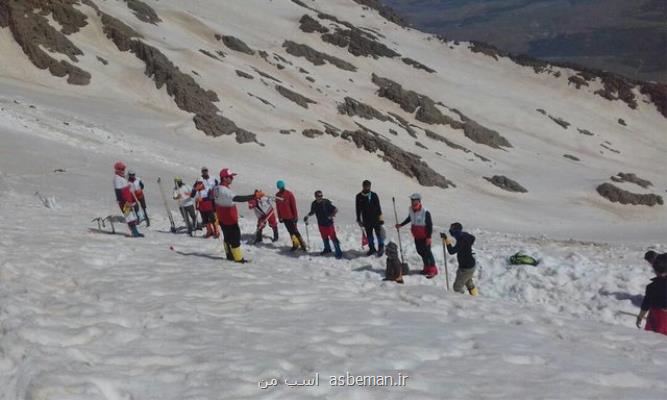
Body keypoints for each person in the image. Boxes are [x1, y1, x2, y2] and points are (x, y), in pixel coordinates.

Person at [213, 169, 255, 262]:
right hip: (229, 219)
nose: (232, 178)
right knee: (236, 238)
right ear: (224, 178)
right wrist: (254, 196)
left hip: (222, 217)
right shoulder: (225, 190)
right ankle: (239, 259)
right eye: (230, 177)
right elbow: (237, 198)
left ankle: (229, 256)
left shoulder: (216, 188)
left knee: (227, 237)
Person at [395, 193, 438, 278]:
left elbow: (429, 225)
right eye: (412, 201)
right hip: (417, 236)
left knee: (428, 253)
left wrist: (429, 237)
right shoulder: (411, 209)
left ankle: (433, 269)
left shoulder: (425, 211)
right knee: (421, 252)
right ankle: (426, 267)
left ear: (419, 201)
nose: (413, 202)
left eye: (415, 201)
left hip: (425, 236)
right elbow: (410, 218)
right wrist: (401, 224)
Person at [305, 190, 343, 259]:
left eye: (321, 196)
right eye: (319, 196)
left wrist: (331, 216)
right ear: (315, 196)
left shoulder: (326, 202)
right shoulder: (314, 204)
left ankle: (338, 252)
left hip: (329, 224)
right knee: (324, 237)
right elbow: (312, 211)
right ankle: (327, 249)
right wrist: (307, 216)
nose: (320, 197)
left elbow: (335, 209)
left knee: (333, 238)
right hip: (321, 224)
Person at [444, 222, 478, 296]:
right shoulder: (464, 235)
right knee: (468, 282)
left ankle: (462, 301)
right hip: (468, 265)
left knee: (457, 287)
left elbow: (451, 251)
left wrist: (447, 240)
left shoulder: (462, 241)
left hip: (466, 268)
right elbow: (473, 238)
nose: (451, 232)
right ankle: (475, 298)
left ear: (456, 231)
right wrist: (468, 247)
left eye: (452, 230)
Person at [636, 253, 667, 335]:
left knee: (653, 340)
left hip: (657, 318)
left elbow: (646, 303)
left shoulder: (652, 287)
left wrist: (640, 316)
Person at [112, 161, 143, 237]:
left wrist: (132, 200)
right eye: (121, 169)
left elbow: (127, 191)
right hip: (124, 202)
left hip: (127, 201)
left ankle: (135, 231)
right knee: (129, 216)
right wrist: (125, 201)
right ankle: (134, 232)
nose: (123, 171)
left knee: (131, 216)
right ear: (117, 169)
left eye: (123, 169)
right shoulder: (117, 179)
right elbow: (119, 192)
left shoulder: (121, 178)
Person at [275, 180, 307, 251]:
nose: (281, 188)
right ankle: (295, 244)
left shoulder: (289, 194)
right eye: (280, 187)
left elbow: (293, 206)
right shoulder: (277, 195)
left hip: (291, 217)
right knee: (290, 232)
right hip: (284, 217)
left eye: (282, 187)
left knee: (295, 231)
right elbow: (278, 207)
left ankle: (302, 244)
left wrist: (295, 216)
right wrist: (279, 217)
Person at [355, 180, 385, 256]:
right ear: (363, 186)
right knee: (369, 235)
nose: (367, 187)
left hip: (375, 218)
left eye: (368, 186)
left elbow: (378, 207)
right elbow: (358, 209)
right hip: (366, 219)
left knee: (378, 234)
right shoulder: (359, 196)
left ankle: (381, 247)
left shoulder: (374, 195)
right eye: (366, 186)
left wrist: (381, 218)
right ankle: (372, 248)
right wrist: (358, 219)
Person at [192, 167, 218, 238]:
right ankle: (209, 231)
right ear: (201, 172)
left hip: (211, 199)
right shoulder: (199, 180)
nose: (204, 172)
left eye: (206, 171)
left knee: (212, 216)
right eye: (203, 171)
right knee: (205, 217)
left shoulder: (213, 178)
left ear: (207, 171)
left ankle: (216, 231)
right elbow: (194, 189)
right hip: (202, 201)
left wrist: (215, 193)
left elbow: (217, 186)